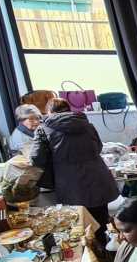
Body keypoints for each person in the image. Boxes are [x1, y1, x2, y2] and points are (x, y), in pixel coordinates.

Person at [31, 98, 118, 241]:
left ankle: (89, 256)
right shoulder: (87, 125)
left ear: (49, 112)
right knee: (102, 219)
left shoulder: (44, 129)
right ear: (68, 109)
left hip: (70, 182)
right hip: (98, 177)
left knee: (78, 223)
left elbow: (36, 158)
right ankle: (107, 252)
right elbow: (99, 147)